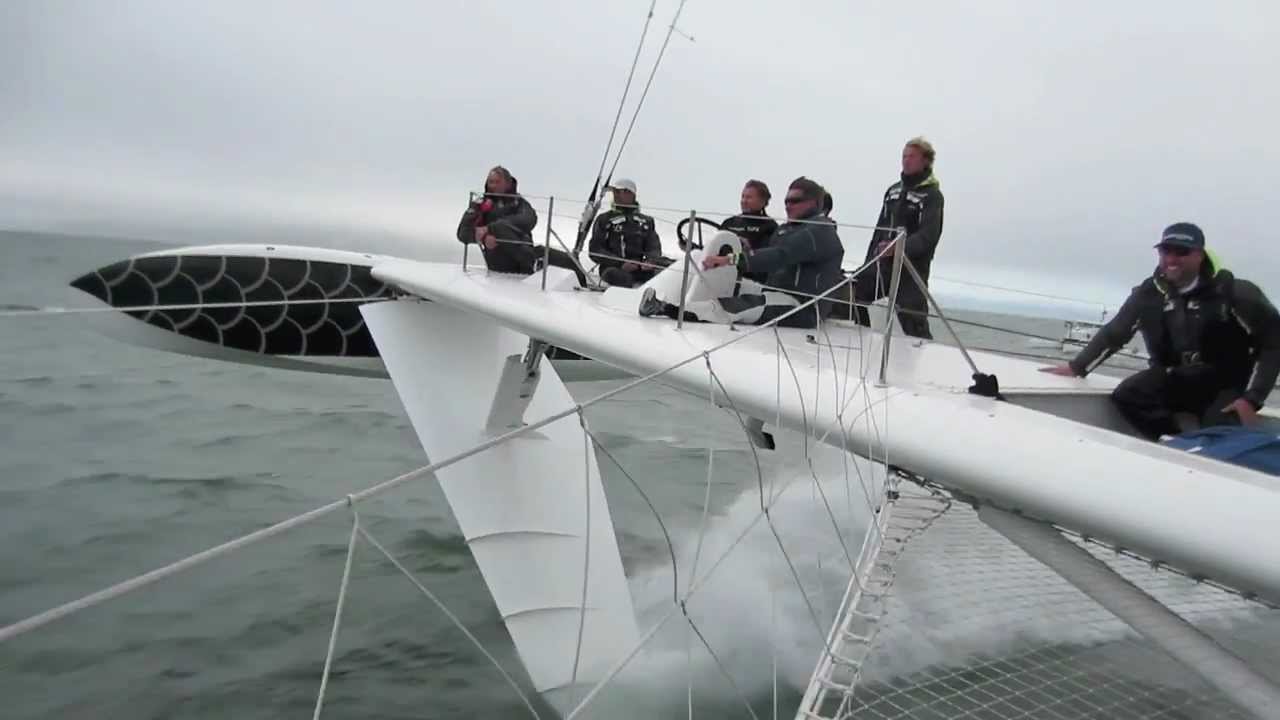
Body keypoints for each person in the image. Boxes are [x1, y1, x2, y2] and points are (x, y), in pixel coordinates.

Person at [1043, 223, 1280, 440]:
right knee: (1127, 395)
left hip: (1224, 383)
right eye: (1166, 251)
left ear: (1199, 255)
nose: (1172, 258)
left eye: (1182, 252)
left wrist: (1252, 399)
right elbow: (1116, 331)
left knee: (1219, 432)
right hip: (1176, 376)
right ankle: (1176, 440)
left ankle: (1205, 447)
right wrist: (1077, 367)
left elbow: (1273, 343)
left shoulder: (1236, 293)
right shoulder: (1149, 294)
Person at [638, 176, 844, 329]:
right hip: (772, 290)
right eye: (786, 201)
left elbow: (781, 255)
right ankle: (671, 299)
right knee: (728, 284)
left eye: (795, 200)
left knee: (738, 305)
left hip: (801, 306)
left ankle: (666, 309)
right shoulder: (788, 229)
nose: (788, 205)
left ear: (814, 203)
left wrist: (730, 259)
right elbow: (771, 256)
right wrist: (742, 254)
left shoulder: (818, 231)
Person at [853, 137, 944, 339]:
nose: (906, 160)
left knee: (911, 317)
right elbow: (879, 230)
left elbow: (929, 235)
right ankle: (864, 340)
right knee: (855, 291)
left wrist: (900, 247)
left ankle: (920, 357)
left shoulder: (932, 196)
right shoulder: (893, 191)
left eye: (912, 156)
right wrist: (870, 260)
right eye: (904, 156)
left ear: (926, 161)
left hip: (911, 267)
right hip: (883, 262)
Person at [456, 165, 587, 286]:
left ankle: (584, 286)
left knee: (570, 261)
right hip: (501, 260)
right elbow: (463, 233)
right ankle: (532, 263)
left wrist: (489, 228)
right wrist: (483, 238)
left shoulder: (519, 203)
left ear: (507, 183)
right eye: (491, 182)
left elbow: (529, 219)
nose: (493, 186)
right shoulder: (480, 204)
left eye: (497, 182)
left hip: (528, 255)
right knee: (500, 228)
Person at [588, 178, 665, 287]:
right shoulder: (604, 219)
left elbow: (653, 246)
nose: (617, 195)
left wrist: (650, 261)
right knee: (622, 278)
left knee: (666, 274)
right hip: (612, 268)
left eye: (622, 191)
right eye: (615, 192)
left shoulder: (647, 221)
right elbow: (595, 249)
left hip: (640, 267)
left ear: (632, 194)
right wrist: (620, 263)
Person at [719, 179, 779, 282]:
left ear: (763, 201)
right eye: (743, 196)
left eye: (749, 197)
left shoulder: (770, 227)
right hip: (719, 272)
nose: (744, 201)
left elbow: (765, 259)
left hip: (748, 280)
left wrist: (747, 248)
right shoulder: (729, 222)